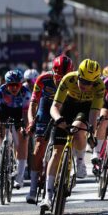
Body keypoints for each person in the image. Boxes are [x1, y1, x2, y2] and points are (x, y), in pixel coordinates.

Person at [40, 59, 104, 210]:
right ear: (78, 76)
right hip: (66, 106)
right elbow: (54, 107)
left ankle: (80, 161)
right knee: (56, 153)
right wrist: (59, 119)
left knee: (78, 129)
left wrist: (92, 132)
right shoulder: (68, 79)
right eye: (82, 81)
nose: (85, 86)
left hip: (85, 109)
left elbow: (94, 113)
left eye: (90, 83)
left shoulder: (100, 87)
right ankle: (47, 196)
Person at [25, 55, 73, 204]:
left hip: (62, 110)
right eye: (58, 76)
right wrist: (32, 121)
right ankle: (33, 188)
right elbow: (33, 103)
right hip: (45, 111)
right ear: (53, 71)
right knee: (39, 146)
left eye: (64, 76)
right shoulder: (43, 79)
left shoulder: (72, 81)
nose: (60, 80)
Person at [0, 69, 31, 189]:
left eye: (16, 85)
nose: (14, 88)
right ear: (6, 85)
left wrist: (25, 128)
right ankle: (1, 154)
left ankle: (20, 177)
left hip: (20, 113)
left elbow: (26, 114)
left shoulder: (26, 93)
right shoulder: (0, 92)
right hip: (5, 111)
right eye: (11, 85)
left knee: (23, 139)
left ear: (21, 84)